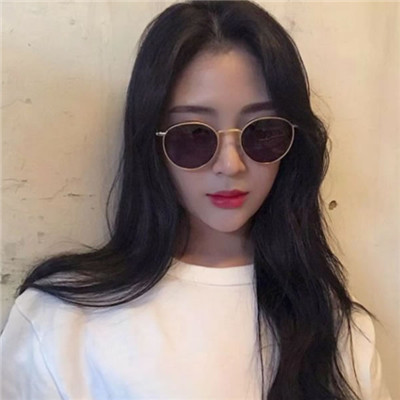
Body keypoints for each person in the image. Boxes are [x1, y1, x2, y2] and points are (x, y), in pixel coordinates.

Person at [0, 1, 392, 399]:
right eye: (193, 135)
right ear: (151, 143)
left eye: (262, 132)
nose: (231, 164)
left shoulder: (338, 328)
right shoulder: (60, 323)